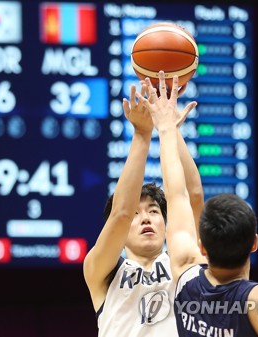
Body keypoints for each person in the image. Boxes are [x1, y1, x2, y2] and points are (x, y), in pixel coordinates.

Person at [138, 70, 258, 336]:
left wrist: (167, 130)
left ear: (202, 247)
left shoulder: (185, 274)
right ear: (254, 243)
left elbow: (180, 195)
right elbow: (187, 196)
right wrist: (170, 129)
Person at [83, 78, 202, 336]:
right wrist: (141, 133)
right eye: (137, 214)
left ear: (166, 223)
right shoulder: (101, 271)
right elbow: (121, 214)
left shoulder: (183, 263)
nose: (145, 218)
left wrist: (169, 127)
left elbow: (192, 197)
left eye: (154, 211)